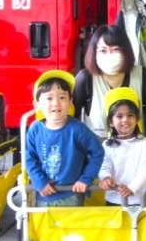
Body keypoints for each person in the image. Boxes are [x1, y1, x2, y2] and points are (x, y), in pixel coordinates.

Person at [72, 25, 146, 154]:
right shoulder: (85, 79)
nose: (109, 55)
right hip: (97, 155)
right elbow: (71, 121)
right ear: (94, 53)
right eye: (103, 50)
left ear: (126, 51)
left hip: (137, 153)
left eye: (115, 49)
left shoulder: (141, 76)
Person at [25, 71, 104, 207]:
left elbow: (98, 153)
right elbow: (29, 158)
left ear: (70, 102)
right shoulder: (35, 129)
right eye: (49, 98)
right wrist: (39, 181)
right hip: (44, 194)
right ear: (37, 104)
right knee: (44, 221)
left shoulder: (78, 129)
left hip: (71, 194)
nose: (56, 103)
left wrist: (86, 179)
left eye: (62, 97)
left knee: (71, 222)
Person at [98, 89, 146, 207]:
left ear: (137, 119)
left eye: (130, 115)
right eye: (119, 116)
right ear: (111, 122)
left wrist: (132, 188)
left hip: (138, 199)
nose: (125, 120)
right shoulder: (107, 144)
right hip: (114, 198)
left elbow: (143, 170)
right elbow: (105, 166)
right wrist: (105, 178)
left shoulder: (144, 143)